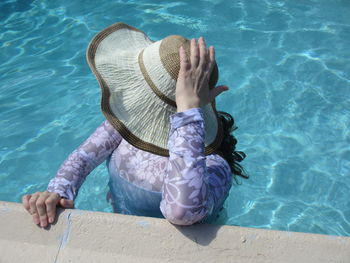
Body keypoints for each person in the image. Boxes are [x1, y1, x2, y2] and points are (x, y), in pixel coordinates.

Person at [22, 22, 247, 228]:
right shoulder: (128, 123)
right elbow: (82, 158)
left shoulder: (213, 166)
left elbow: (182, 212)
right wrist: (57, 193)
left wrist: (187, 114)